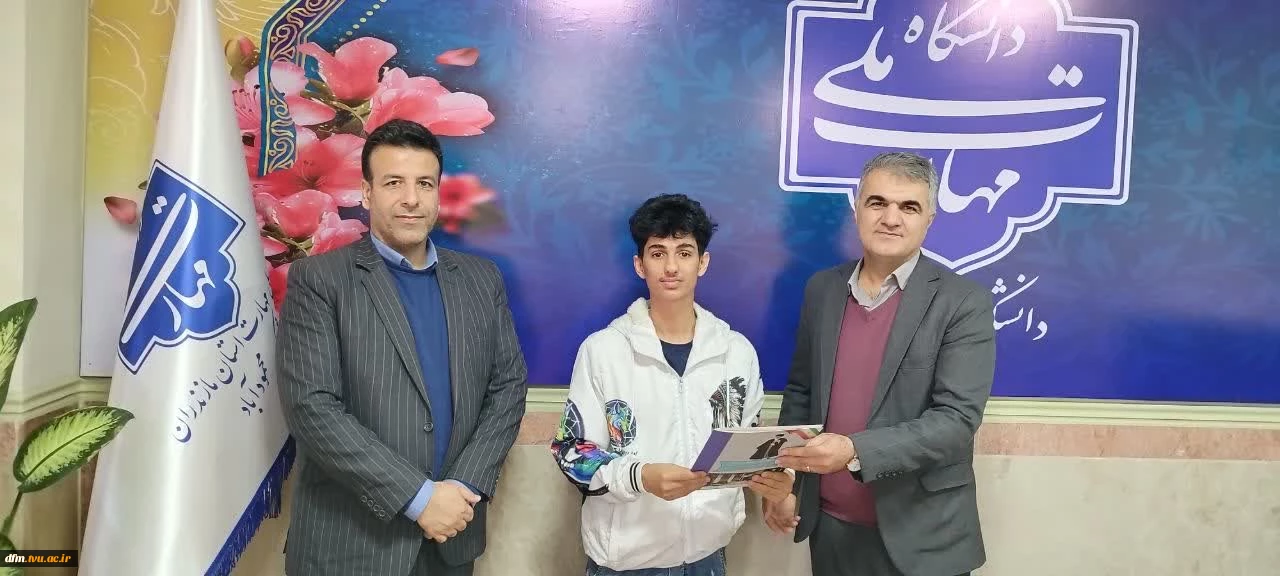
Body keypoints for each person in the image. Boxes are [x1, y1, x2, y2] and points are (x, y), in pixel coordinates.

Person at [276, 119, 529, 576]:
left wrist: (463, 486)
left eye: (424, 183)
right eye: (394, 182)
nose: (411, 198)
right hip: (350, 547)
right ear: (366, 192)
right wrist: (419, 497)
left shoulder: (481, 279)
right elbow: (312, 407)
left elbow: (507, 387)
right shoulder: (320, 280)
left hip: (451, 537)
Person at [771, 151, 996, 576]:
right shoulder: (822, 290)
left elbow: (956, 420)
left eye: (909, 207)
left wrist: (854, 450)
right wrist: (788, 481)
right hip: (831, 528)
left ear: (929, 219)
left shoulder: (963, 302)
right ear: (857, 209)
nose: (891, 218)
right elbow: (802, 392)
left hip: (924, 537)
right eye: (878, 202)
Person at [550, 193, 794, 576]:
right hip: (625, 561)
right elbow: (571, 451)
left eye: (684, 252)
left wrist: (779, 484)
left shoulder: (736, 352)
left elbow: (750, 444)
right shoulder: (603, 351)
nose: (671, 267)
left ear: (703, 262)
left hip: (708, 555)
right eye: (657, 253)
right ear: (640, 264)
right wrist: (640, 476)